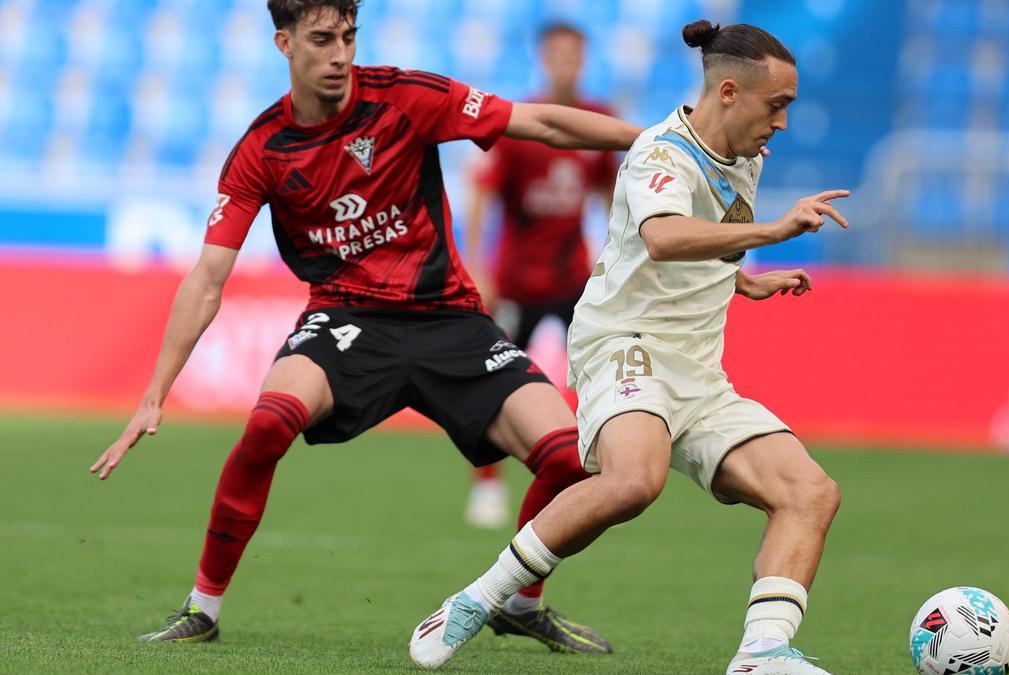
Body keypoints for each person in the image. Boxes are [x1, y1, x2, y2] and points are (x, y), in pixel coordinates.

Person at [88, 0, 640, 655]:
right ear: (284, 43)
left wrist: (659, 138)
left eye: (348, 37)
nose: (340, 55)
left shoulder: (406, 97)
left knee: (568, 457)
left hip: (449, 317)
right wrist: (155, 394)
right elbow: (207, 278)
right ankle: (202, 608)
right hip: (345, 318)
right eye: (322, 39)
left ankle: (520, 602)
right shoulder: (263, 148)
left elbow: (541, 122)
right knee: (267, 424)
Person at [410, 20, 846, 674]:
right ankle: (477, 599)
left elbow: (709, 234)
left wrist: (742, 279)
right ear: (729, 91)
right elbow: (665, 237)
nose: (782, 122)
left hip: (698, 369)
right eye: (776, 104)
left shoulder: (747, 157)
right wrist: (776, 230)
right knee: (635, 480)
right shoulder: (660, 153)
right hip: (625, 344)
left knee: (810, 491)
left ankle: (762, 654)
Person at [460, 21, 617, 531]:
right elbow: (482, 194)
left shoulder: (598, 121)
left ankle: (599, 475)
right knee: (495, 385)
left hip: (574, 279)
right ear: (545, 59)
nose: (566, 64)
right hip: (517, 282)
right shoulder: (521, 123)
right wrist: (478, 266)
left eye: (575, 54)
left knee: (599, 379)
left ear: (584, 59)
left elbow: (611, 194)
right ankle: (487, 484)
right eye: (558, 54)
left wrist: (616, 255)